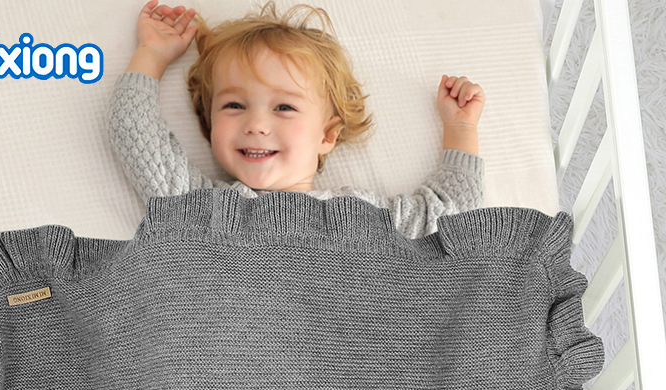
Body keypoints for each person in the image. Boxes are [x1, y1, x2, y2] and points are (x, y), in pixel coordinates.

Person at [108, 0, 486, 238]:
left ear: (327, 135)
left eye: (284, 108)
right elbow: (135, 132)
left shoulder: (361, 215)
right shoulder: (202, 207)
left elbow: (447, 217)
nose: (256, 124)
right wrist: (152, 54)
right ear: (210, 126)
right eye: (234, 105)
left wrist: (460, 128)